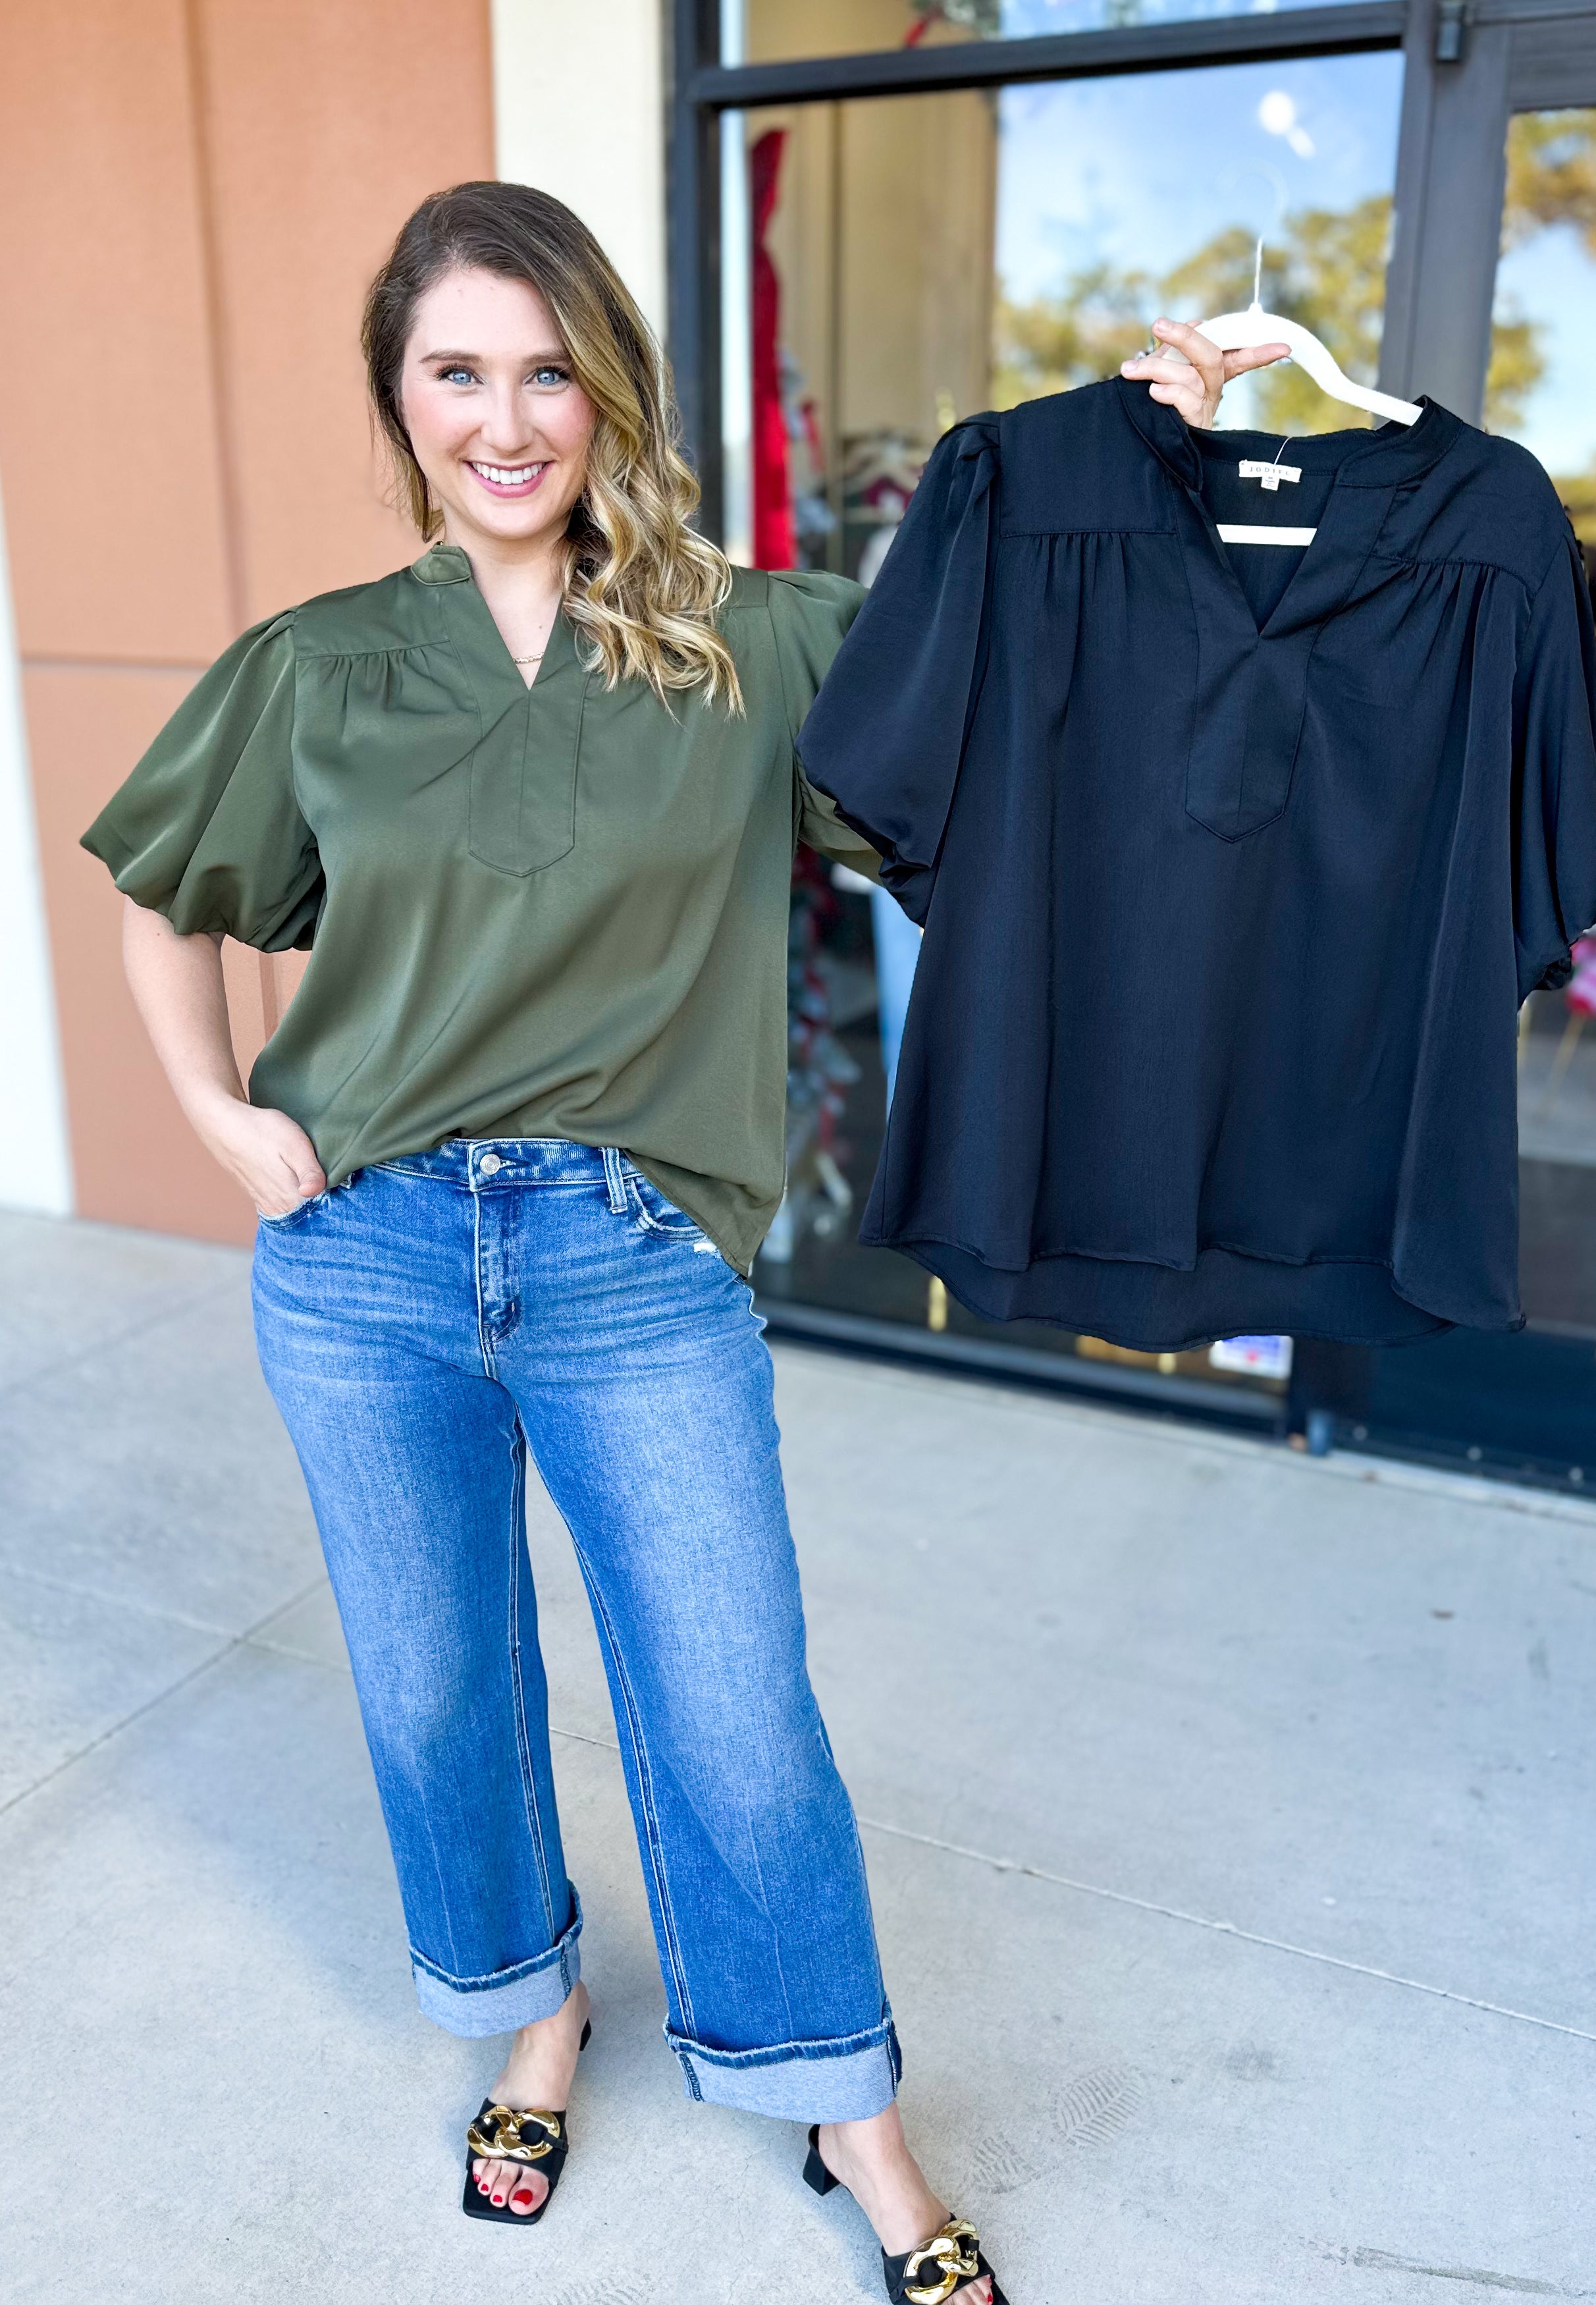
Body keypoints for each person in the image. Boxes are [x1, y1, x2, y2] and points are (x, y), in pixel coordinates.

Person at [82, 176, 1277, 2296]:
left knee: (732, 1709)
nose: (507, 417)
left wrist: (1142, 436)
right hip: (364, 1261)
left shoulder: (753, 638)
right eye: (457, 370)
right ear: (401, 397)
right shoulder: (321, 667)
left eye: (548, 368)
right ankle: (534, 2011)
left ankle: (853, 2115)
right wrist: (212, 1109)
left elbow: (1012, 655)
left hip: (640, 1261)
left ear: (610, 387)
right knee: (438, 1685)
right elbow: (171, 892)